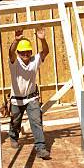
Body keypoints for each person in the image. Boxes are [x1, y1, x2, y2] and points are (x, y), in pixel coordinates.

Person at [8, 28, 51, 160]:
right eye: (22, 52)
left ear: (31, 52)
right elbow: (10, 52)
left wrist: (42, 39)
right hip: (16, 99)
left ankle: (41, 148)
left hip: (32, 98)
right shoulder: (15, 62)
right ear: (19, 53)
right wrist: (16, 40)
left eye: (27, 51)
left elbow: (45, 52)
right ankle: (13, 136)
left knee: (36, 121)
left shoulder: (34, 60)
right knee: (16, 121)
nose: (25, 54)